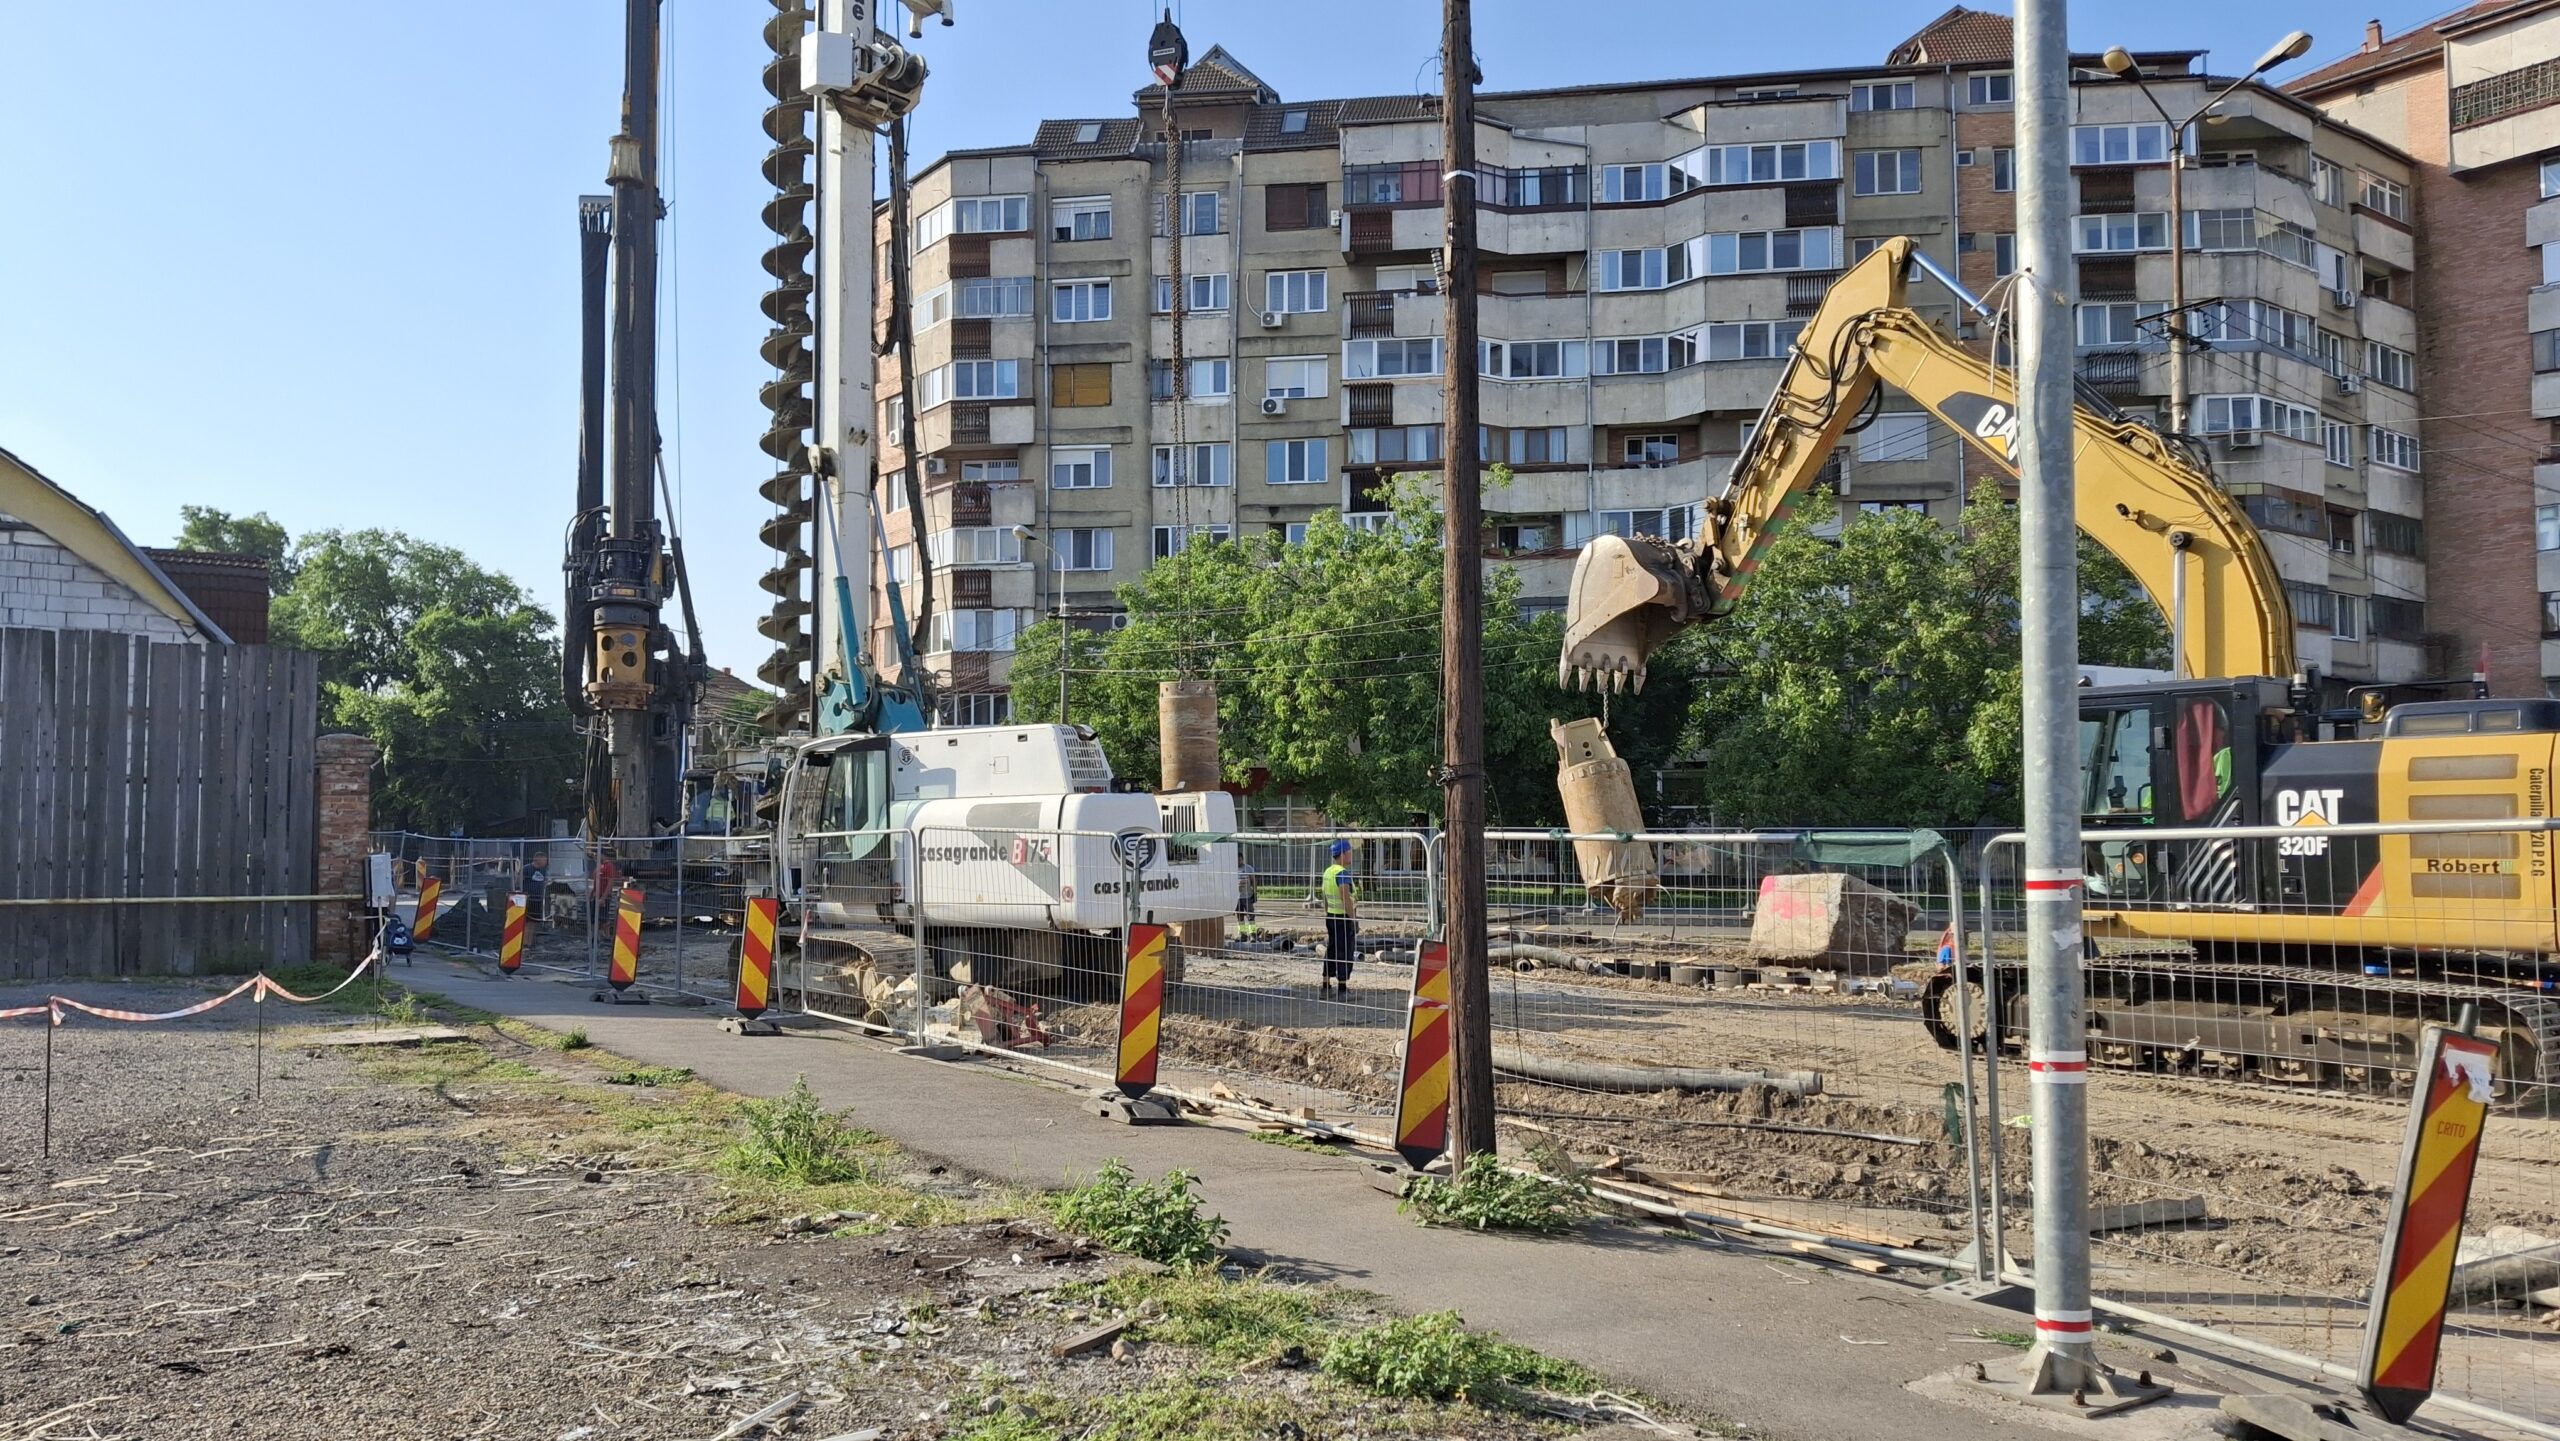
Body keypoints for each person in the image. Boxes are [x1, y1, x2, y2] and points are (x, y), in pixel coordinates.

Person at [1320, 840, 1358, 998]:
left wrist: (1327, 912)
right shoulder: (1342, 873)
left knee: (1332, 949)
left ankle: (1326, 985)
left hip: (1331, 915)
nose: (1351, 854)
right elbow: (1345, 897)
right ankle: (1342, 988)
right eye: (1349, 851)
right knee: (1344, 951)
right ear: (1342, 853)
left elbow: (1325, 897)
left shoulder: (1328, 872)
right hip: (1342, 917)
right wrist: (1353, 919)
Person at [1235, 860, 1258, 930]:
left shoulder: (1248, 868)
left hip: (1247, 896)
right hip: (1237, 897)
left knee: (1251, 915)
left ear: (1242, 859)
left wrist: (1255, 892)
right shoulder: (1232, 868)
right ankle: (1242, 934)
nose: (1238, 862)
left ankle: (1252, 933)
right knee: (1239, 916)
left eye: (1240, 859)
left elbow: (1253, 881)